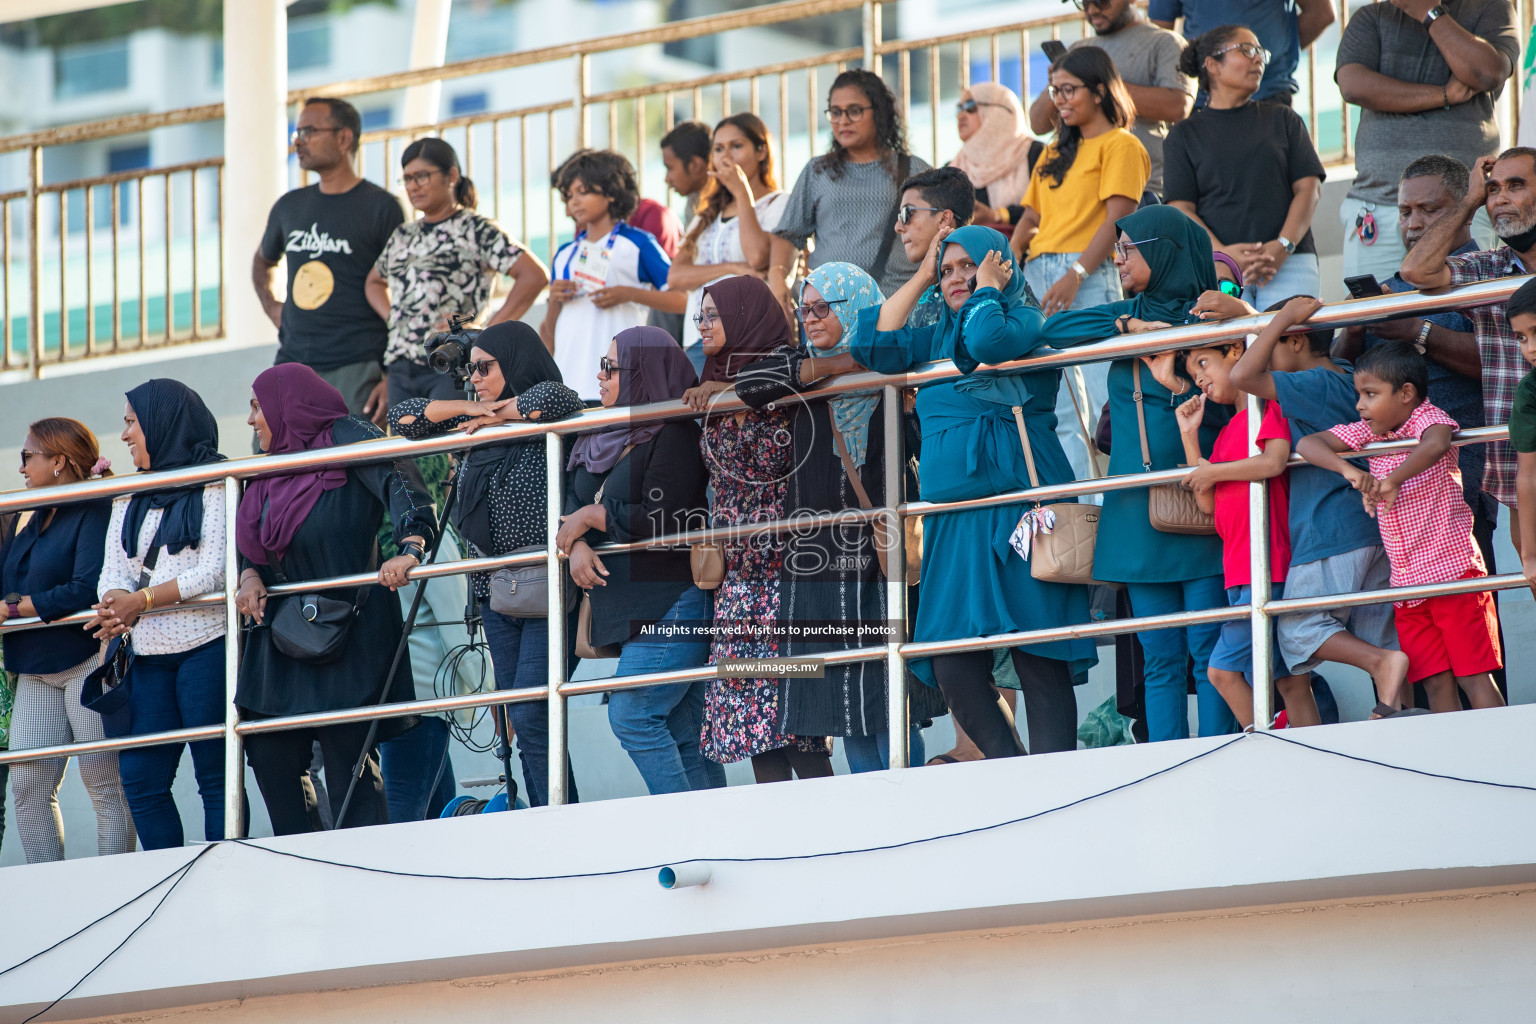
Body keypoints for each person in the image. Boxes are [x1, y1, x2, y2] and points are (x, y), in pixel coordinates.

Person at [855, 226, 1098, 758]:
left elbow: (988, 342)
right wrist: (922, 276)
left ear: (1003, 266)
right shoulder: (934, 339)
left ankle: (1057, 783)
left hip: (1024, 511)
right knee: (953, 663)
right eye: (949, 270)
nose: (957, 277)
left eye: (971, 265)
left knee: (1040, 656)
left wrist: (988, 287)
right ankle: (1012, 772)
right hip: (957, 519)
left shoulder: (1023, 319)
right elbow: (869, 343)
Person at [1034, 206, 1237, 742]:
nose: (1119, 259)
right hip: (1136, 509)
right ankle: (1168, 761)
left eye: (1130, 249)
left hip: (1200, 500)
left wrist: (1181, 371)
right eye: (1117, 249)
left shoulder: (1209, 319)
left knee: (1207, 647)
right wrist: (1125, 325)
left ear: (1164, 251)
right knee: (1158, 656)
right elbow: (1055, 330)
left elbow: (1236, 398)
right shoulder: (1125, 313)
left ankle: (1216, 755)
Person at [733, 263, 924, 772]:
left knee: (890, 697)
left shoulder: (888, 362)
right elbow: (751, 384)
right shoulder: (800, 367)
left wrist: (863, 370)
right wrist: (835, 366)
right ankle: (870, 825)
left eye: (824, 308)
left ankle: (910, 807)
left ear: (855, 308)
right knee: (844, 706)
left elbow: (910, 445)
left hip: (876, 551)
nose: (811, 318)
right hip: (818, 558)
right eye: (805, 309)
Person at [235, 364, 438, 833]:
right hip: (280, 629)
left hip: (349, 624)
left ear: (287, 403)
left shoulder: (345, 434)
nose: (251, 420)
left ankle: (363, 871)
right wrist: (249, 573)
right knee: (268, 751)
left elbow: (400, 480)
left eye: (256, 406)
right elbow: (253, 543)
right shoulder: (267, 466)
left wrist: (410, 548)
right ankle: (303, 861)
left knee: (349, 759)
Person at [389, 322, 584, 807]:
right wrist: (473, 409)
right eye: (470, 369)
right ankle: (549, 814)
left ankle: (565, 823)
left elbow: (558, 397)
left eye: (485, 368)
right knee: (520, 718)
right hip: (495, 595)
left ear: (514, 362)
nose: (474, 377)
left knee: (535, 711)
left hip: (547, 587)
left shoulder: (542, 411)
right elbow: (403, 417)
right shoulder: (473, 424)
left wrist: (498, 415)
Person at [558, 327, 724, 796]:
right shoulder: (603, 432)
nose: (600, 375)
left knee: (631, 714)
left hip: (671, 603)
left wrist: (594, 517)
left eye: (612, 367)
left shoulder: (672, 432)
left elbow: (666, 518)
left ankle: (680, 824)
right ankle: (712, 830)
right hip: (633, 607)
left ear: (642, 372)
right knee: (685, 733)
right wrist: (579, 541)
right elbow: (573, 500)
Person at [1297, 343, 1504, 715]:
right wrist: (1348, 468)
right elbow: (1308, 443)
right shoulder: (1369, 432)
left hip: (1452, 574)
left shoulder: (1427, 418)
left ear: (1406, 393)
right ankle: (1451, 765)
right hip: (1408, 586)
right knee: (1435, 681)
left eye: (1370, 394)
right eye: (1360, 394)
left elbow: (1438, 442)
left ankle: (1501, 760)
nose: (1360, 404)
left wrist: (1392, 479)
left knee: (1474, 677)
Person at [684, 275, 834, 782]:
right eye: (699, 316)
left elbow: (784, 384)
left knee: (796, 725)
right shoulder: (708, 376)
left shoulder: (785, 367)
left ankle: (836, 844)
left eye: (713, 315)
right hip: (737, 577)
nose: (702, 326)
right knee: (752, 732)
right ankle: (778, 849)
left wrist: (727, 391)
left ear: (745, 315)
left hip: (784, 570)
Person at [1230, 296, 1409, 711]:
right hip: (1371, 527)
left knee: (1299, 627)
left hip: (1330, 531)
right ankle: (1398, 715)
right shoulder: (1348, 375)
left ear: (1294, 341)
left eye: (1272, 341)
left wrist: (1283, 318)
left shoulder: (1311, 383)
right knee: (1380, 631)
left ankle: (1381, 665)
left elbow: (1243, 375)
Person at [1334, 155, 1501, 594]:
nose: (1413, 223)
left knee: (1470, 611)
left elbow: (1498, 361)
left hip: (1458, 472)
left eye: (1430, 210)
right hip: (1389, 481)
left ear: (1464, 211)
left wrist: (1417, 330)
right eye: (1406, 211)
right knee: (1417, 621)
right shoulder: (1393, 283)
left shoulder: (1487, 272)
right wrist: (1354, 327)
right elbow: (1346, 370)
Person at [87, 381, 232, 849]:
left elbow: (213, 572)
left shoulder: (215, 481)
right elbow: (113, 567)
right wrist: (113, 604)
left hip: (206, 648)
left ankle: (226, 877)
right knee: (141, 780)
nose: (125, 434)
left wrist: (140, 603)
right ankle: (169, 883)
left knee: (215, 778)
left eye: (132, 422)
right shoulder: (130, 493)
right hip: (147, 656)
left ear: (163, 422)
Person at [1013, 46, 1150, 482]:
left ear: (1099, 91)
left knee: (1101, 400)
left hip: (1089, 277)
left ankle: (1115, 503)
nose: (1060, 99)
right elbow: (1030, 218)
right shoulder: (1053, 150)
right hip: (1038, 277)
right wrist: (1010, 263)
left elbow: (1116, 221)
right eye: (1055, 90)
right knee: (1060, 407)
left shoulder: (1122, 145)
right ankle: (1084, 512)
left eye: (1069, 89)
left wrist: (1076, 275)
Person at [1, 420, 133, 862]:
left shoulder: (94, 510)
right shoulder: (32, 512)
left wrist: (17, 606)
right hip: (36, 666)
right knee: (28, 785)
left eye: (27, 457)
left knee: (103, 783)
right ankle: (49, 886)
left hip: (84, 660)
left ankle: (115, 889)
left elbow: (85, 587)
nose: (21, 467)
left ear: (58, 461)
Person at [1174, 339, 1315, 730]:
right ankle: (1300, 750)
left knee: (1222, 671)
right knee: (1289, 679)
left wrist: (1213, 472)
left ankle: (1266, 743)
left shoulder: (1269, 407)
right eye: (1193, 373)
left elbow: (1272, 462)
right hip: (1240, 568)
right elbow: (1208, 505)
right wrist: (1190, 436)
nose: (1200, 377)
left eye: (1204, 363)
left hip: (1269, 564)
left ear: (1237, 352)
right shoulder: (1224, 434)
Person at [1400, 148, 1536, 540]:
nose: (1500, 199)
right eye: (1493, 190)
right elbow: (1415, 270)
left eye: (1516, 186)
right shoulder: (1488, 268)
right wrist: (1469, 201)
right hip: (1524, 474)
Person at [1335, 0, 1519, 280]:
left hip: (1465, 207)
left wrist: (1429, 12)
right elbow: (1352, 85)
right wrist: (1444, 95)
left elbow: (1487, 72)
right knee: (1374, 315)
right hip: (1379, 206)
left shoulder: (1489, 6)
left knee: (1466, 315)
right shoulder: (1371, 16)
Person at [253, 97, 404, 425]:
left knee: (353, 469)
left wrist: (393, 375)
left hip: (359, 364)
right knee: (271, 466)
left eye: (309, 131)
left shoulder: (382, 207)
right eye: (297, 132)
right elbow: (262, 262)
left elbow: (405, 295)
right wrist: (272, 305)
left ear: (344, 137)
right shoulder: (289, 207)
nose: (299, 141)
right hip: (292, 362)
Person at [368, 137, 549, 406]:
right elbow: (373, 282)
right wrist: (395, 318)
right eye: (406, 179)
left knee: (452, 446)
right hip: (401, 368)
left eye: (421, 176)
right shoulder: (403, 235)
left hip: (452, 364)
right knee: (407, 447)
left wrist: (487, 331)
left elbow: (534, 275)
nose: (412, 186)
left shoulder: (476, 229)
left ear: (451, 175)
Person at [1163, 25, 1326, 310]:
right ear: (1212, 65)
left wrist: (1283, 246)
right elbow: (1181, 208)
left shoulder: (1284, 119)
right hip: (1218, 267)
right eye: (1247, 50)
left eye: (1261, 52)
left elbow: (1309, 188)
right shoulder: (1183, 135)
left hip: (1290, 261)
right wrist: (1222, 254)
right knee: (1233, 352)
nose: (1259, 59)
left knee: (1291, 350)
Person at [770, 69, 932, 309]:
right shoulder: (817, 171)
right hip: (829, 311)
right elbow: (788, 234)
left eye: (854, 111)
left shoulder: (914, 169)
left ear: (879, 112)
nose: (843, 120)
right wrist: (777, 277)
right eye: (835, 112)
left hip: (896, 306)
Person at [544, 149, 681, 401]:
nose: (573, 202)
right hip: (569, 383)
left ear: (610, 192)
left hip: (621, 381)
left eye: (583, 192)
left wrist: (628, 294)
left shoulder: (639, 243)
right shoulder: (564, 253)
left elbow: (682, 300)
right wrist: (554, 299)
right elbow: (548, 328)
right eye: (569, 195)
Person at [1030, 0, 1193, 198]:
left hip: (1143, 188)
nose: (1092, 10)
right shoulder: (1078, 49)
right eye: (1084, 3)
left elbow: (1177, 106)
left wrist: (1100, 83)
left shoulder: (1165, 42)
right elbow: (1038, 125)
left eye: (1100, 1)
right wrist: (1057, 84)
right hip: (1080, 187)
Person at [671, 114, 789, 373]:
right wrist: (734, 268)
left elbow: (758, 258)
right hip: (700, 342)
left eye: (736, 146)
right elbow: (676, 276)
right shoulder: (706, 214)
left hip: (750, 341)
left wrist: (742, 193)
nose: (727, 157)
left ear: (761, 151)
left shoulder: (779, 203)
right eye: (718, 149)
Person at [1151, 0, 1336, 105]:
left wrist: (1264, 57)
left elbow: (1322, 14)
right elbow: (1161, 32)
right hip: (1203, 99)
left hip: (1268, 95)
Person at [889, 166, 978, 330]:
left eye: (906, 213)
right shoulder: (925, 289)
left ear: (944, 219)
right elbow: (878, 343)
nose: (898, 227)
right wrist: (923, 277)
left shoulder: (988, 277)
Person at [953, 83, 1035, 232]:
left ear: (999, 111)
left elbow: (1046, 208)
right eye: (959, 108)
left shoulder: (1033, 152)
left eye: (971, 106)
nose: (961, 115)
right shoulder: (954, 168)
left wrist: (996, 215)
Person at [1504, 279, 1536, 593]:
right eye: (1521, 338)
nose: (1531, 348)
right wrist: (1530, 554)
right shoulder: (1529, 392)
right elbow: (1527, 476)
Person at [661, 119, 713, 225]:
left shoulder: (729, 205)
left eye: (670, 168)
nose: (667, 179)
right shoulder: (693, 199)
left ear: (695, 165)